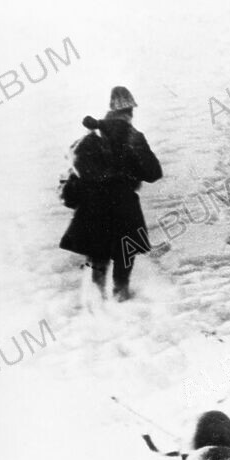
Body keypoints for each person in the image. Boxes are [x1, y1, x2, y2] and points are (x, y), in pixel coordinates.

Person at [59, 86, 162, 301]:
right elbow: (153, 172)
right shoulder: (133, 136)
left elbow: (73, 167)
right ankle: (121, 295)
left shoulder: (90, 135)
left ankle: (98, 303)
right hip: (123, 204)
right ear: (130, 112)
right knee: (125, 253)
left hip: (92, 206)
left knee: (97, 255)